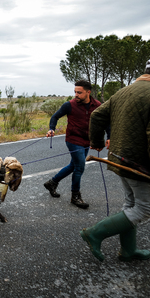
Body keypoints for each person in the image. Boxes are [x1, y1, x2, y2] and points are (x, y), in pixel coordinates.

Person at [81, 55, 150, 262]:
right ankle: (94, 233)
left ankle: (128, 250)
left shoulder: (124, 91)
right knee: (146, 208)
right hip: (140, 163)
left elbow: (97, 115)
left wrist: (97, 141)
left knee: (131, 204)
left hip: (119, 159)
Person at [43, 80, 109, 209]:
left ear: (88, 92)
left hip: (87, 140)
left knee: (74, 165)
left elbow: (106, 122)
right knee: (80, 167)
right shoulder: (69, 105)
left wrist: (109, 136)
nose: (76, 95)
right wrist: (52, 129)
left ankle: (52, 182)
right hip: (73, 140)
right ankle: (75, 196)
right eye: (75, 92)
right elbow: (55, 117)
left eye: (79, 92)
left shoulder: (97, 105)